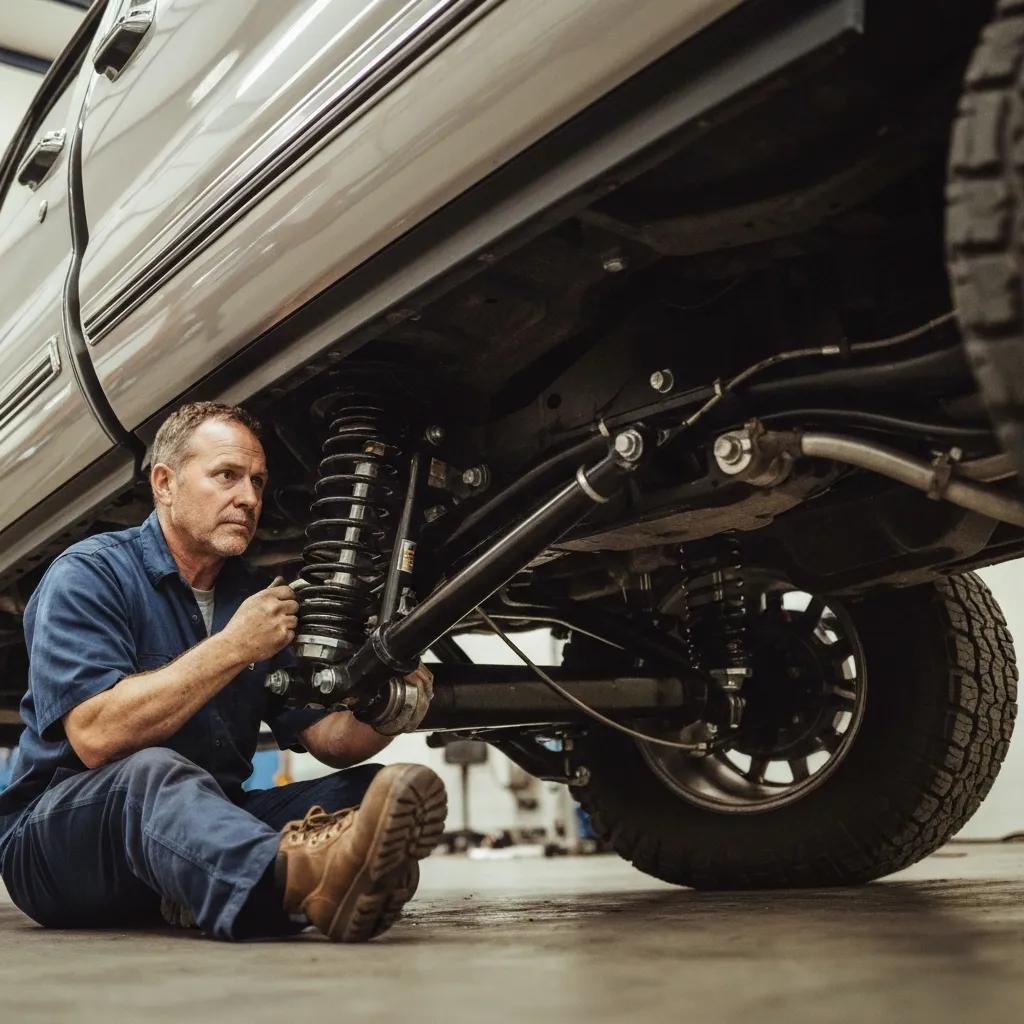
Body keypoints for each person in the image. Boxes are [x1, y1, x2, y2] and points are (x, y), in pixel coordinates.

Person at [0, 401, 445, 941]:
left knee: (368, 792)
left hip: (200, 825)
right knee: (150, 772)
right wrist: (234, 646)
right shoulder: (89, 574)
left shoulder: (251, 596)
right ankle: (296, 881)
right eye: (226, 476)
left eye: (257, 481)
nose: (250, 498)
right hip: (61, 844)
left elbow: (328, 738)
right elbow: (97, 735)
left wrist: (395, 704)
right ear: (164, 483)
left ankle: (254, 879)